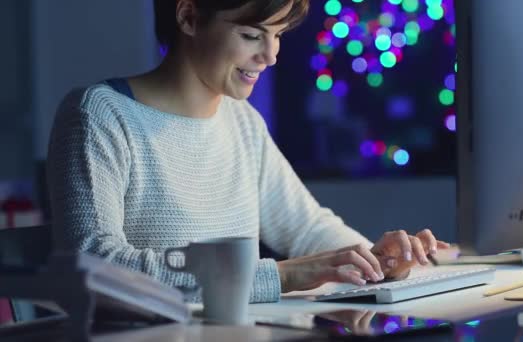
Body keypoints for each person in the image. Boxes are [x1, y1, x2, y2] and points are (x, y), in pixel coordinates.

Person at [47, 0, 450, 303]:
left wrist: (378, 260)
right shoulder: (99, 114)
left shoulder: (241, 121)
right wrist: (280, 276)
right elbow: (98, 266)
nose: (271, 55)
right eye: (252, 35)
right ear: (188, 17)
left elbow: (307, 229)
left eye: (277, 36)